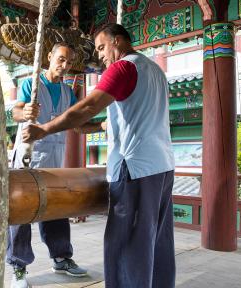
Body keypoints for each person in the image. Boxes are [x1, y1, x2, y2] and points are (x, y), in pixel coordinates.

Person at [22, 24, 176, 288]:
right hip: (162, 167)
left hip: (135, 167)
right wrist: (105, 125)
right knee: (156, 239)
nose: (101, 56)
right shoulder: (154, 70)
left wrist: (44, 129)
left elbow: (89, 106)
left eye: (102, 47)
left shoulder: (123, 67)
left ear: (117, 41)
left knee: (127, 241)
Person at [8, 42, 88, 288]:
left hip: (55, 159)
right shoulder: (31, 84)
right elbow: (16, 113)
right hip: (28, 157)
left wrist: (104, 126)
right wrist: (26, 113)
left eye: (68, 62)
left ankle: (61, 258)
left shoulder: (67, 93)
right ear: (50, 57)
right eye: (61, 59)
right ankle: (18, 268)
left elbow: (77, 125)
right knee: (22, 210)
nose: (64, 66)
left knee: (57, 207)